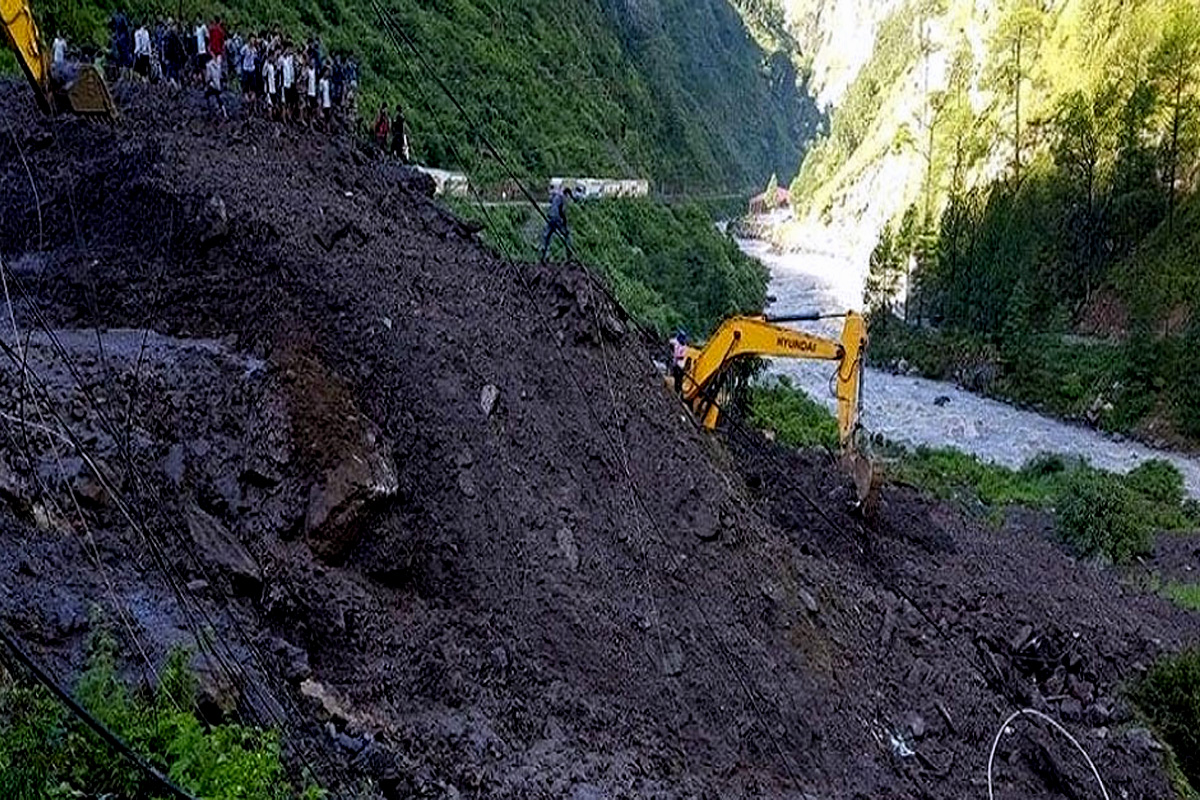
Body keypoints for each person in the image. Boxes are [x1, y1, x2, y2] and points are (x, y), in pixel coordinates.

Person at [540, 185, 574, 263]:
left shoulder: (555, 196)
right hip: (557, 219)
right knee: (566, 235)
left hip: (550, 217)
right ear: (567, 194)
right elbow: (562, 211)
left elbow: (551, 206)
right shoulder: (562, 198)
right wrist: (564, 221)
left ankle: (544, 255)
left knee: (546, 236)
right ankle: (569, 255)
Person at [205, 50, 226, 118]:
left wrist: (207, 83)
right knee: (219, 97)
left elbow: (208, 77)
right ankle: (223, 112)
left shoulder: (209, 65)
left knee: (208, 95)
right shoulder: (219, 64)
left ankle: (211, 111)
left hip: (213, 84)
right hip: (218, 84)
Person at [669, 329, 689, 395]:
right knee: (676, 377)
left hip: (680, 365)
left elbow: (682, 356)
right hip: (676, 363)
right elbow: (670, 342)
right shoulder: (676, 342)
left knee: (679, 379)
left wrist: (676, 356)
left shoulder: (684, 347)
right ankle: (676, 390)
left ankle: (678, 391)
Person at [280, 47, 296, 121]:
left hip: (290, 83)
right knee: (284, 102)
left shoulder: (290, 58)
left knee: (289, 101)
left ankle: (289, 116)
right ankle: (283, 117)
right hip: (284, 84)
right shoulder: (282, 59)